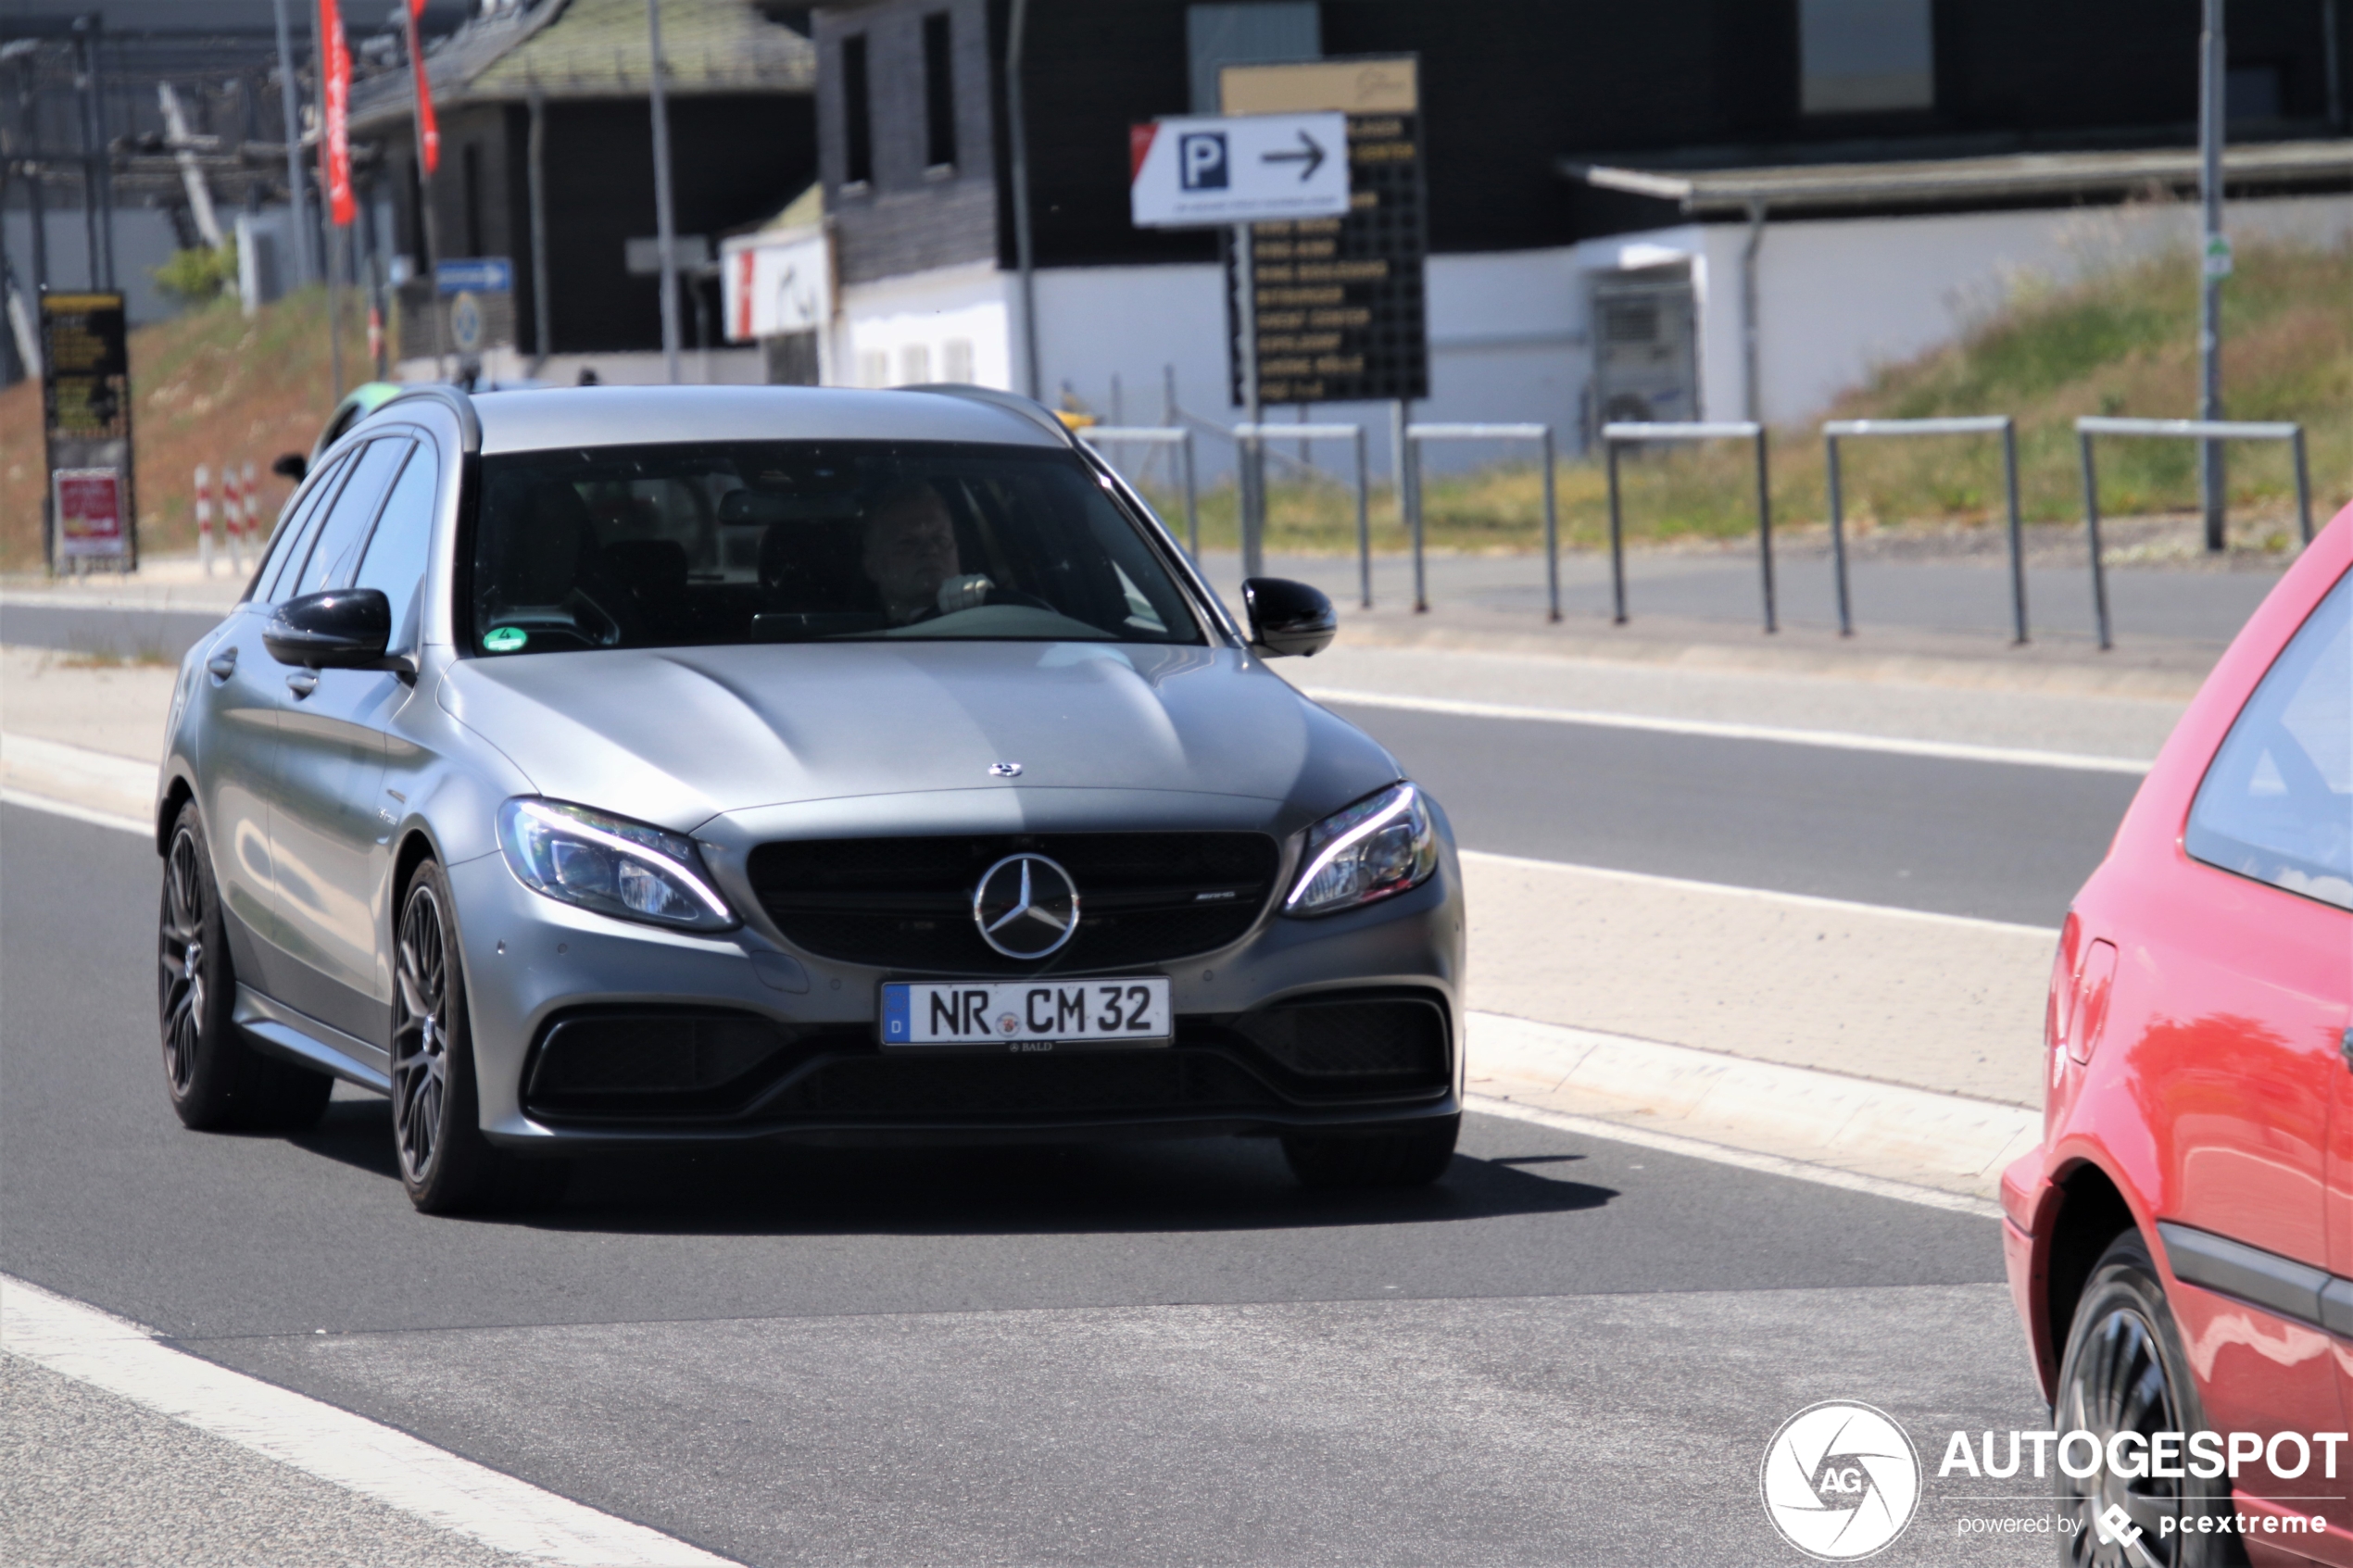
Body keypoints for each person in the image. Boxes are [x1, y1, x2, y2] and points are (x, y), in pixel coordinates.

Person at [861, 479, 991, 626]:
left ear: (956, 551)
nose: (931, 550)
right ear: (872, 566)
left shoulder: (994, 624)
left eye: (940, 539)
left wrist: (988, 604)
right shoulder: (850, 641)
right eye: (907, 542)